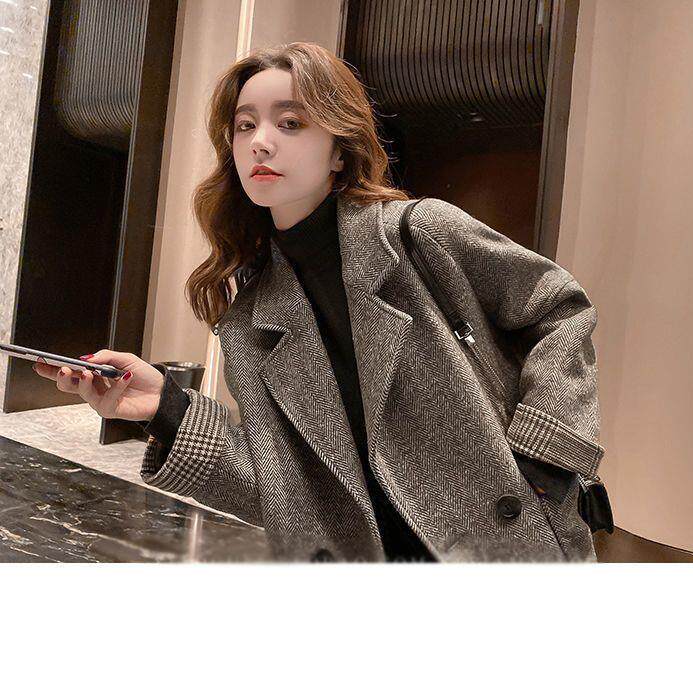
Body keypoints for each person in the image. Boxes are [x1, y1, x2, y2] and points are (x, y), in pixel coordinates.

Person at [34, 42, 605, 563]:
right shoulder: (249, 320)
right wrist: (165, 408)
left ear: (339, 150)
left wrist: (543, 458)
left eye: (290, 123)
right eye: (245, 125)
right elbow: (283, 495)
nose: (260, 142)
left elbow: (560, 308)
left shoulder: (418, 234)